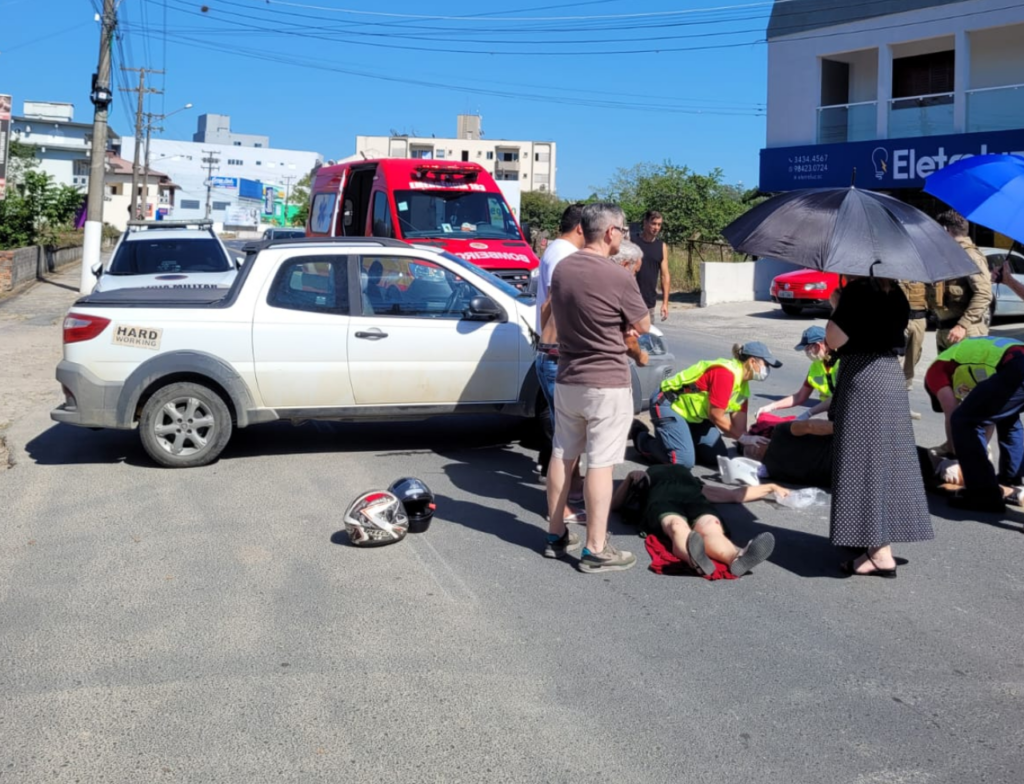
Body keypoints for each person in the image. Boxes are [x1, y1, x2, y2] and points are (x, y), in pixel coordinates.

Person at [545, 202, 651, 573]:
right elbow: (644, 324)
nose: (624, 236)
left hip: (568, 376)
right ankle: (595, 547)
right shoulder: (618, 275)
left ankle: (555, 533)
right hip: (606, 381)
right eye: (623, 230)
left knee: (563, 455)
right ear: (609, 232)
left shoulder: (562, 268)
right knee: (601, 464)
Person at [826, 275, 932, 578]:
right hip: (888, 375)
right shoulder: (896, 291)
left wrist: (836, 306)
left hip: (864, 378)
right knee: (885, 463)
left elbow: (835, 338)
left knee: (863, 463)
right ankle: (873, 540)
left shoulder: (858, 290)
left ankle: (879, 552)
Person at [633, 342, 782, 469]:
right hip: (668, 404)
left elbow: (739, 430)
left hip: (694, 416)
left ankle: (680, 440)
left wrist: (755, 446)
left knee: (717, 457)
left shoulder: (743, 388)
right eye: (766, 364)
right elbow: (716, 416)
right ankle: (640, 437)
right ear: (752, 362)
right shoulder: (725, 374)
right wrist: (744, 438)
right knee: (682, 462)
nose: (767, 370)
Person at [611, 465, 779, 577]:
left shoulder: (696, 484)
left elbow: (734, 495)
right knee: (677, 525)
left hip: (694, 500)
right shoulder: (647, 476)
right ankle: (693, 558)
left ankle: (736, 559)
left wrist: (770, 487)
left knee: (710, 526)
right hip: (661, 501)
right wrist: (629, 478)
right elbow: (614, 505)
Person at [534, 203, 586, 491]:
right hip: (556, 350)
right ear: (581, 227)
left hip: (553, 347)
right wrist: (550, 339)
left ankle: (559, 478)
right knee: (565, 431)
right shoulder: (564, 256)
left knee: (557, 421)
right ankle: (563, 492)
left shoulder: (557, 250)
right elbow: (550, 305)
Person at [945, 339, 1024, 512]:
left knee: (965, 420)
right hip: (1014, 361)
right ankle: (1009, 481)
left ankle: (984, 494)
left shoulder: (939, 367)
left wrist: (952, 451)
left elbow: (950, 408)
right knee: (1008, 417)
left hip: (1018, 364)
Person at [923, 335, 1024, 454]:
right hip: (1012, 355)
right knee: (1008, 422)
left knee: (964, 419)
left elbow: (952, 415)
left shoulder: (935, 374)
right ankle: (1007, 471)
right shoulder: (958, 368)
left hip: (1011, 362)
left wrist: (953, 451)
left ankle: (977, 463)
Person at [929, 210, 992, 353]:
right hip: (947, 330)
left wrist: (962, 325)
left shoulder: (969, 255)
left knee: (969, 375)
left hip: (966, 332)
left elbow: (984, 293)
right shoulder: (951, 255)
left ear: (946, 229)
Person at [755, 326, 838, 422]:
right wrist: (771, 406)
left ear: (818, 345)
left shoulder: (842, 363)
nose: (807, 353)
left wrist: (809, 413)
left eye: (808, 349)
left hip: (850, 412)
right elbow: (800, 396)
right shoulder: (816, 366)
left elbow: (837, 397)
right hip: (835, 413)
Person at [740, 418, 834, 489]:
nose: (753, 451)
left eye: (750, 447)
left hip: (839, 459)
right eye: (748, 452)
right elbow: (810, 426)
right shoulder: (772, 471)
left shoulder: (779, 433)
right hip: (839, 462)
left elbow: (810, 426)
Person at [634, 210, 671, 322]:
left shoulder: (661, 247)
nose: (656, 227)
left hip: (649, 303)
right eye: (653, 223)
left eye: (659, 224)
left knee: (647, 337)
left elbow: (665, 276)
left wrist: (665, 303)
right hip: (630, 299)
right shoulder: (632, 241)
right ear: (645, 223)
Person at [899, 281, 929, 390]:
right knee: (895, 354)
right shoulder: (890, 269)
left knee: (914, 354)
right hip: (897, 318)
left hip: (918, 318)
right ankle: (894, 382)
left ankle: (907, 382)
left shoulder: (921, 269)